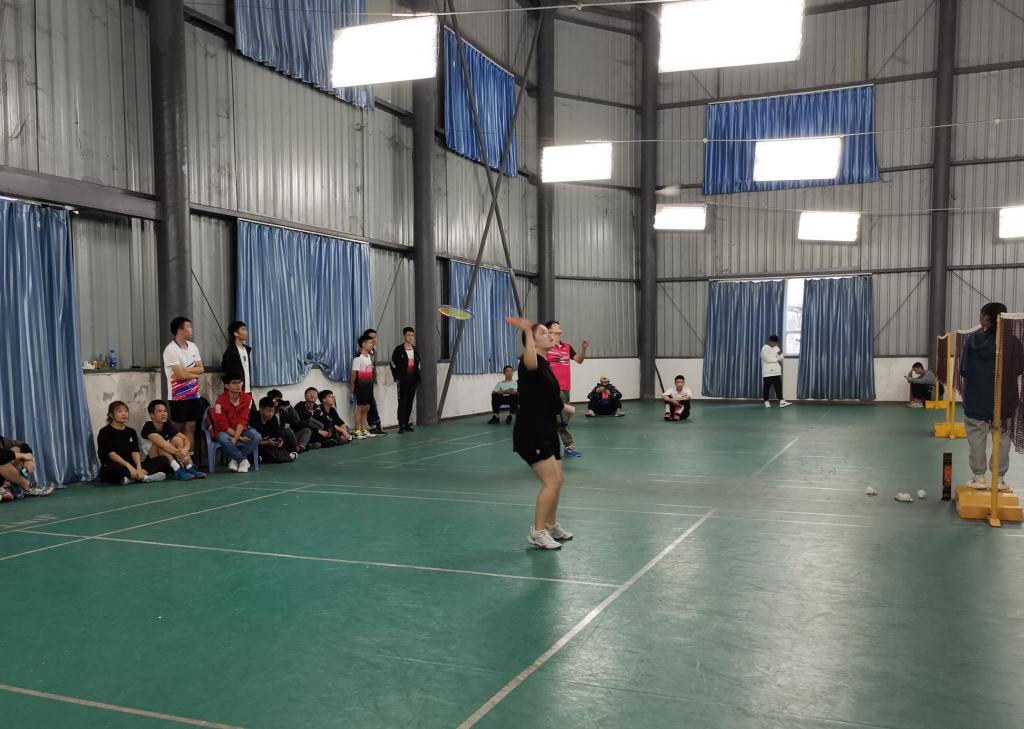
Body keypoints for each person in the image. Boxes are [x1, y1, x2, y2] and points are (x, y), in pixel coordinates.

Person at [507, 317, 574, 550]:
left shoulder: (546, 364)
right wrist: (527, 331)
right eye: (543, 332)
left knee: (558, 481)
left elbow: (549, 395)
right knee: (550, 482)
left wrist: (565, 407)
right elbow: (530, 362)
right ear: (532, 342)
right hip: (531, 431)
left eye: (548, 332)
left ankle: (550, 525)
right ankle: (537, 532)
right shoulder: (530, 363)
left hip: (547, 428)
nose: (549, 335)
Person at [960, 302, 1015, 490]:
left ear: (985, 318)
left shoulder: (973, 340)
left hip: (977, 399)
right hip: (1005, 399)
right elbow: (1018, 368)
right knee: (1003, 436)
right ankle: (998, 479)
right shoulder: (1012, 342)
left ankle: (979, 478)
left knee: (976, 435)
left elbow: (964, 370)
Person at [96, 401, 169, 484]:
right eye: (120, 411)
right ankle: (145, 477)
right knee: (115, 468)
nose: (124, 414)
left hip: (132, 466)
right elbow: (112, 454)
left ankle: (132, 478)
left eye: (126, 411)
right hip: (114, 465)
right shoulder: (104, 432)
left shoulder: (131, 431)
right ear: (111, 415)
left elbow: (135, 451)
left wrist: (138, 467)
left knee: (163, 460)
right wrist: (128, 466)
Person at [162, 316, 206, 452]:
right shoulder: (170, 350)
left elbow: (201, 369)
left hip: (194, 394)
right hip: (178, 396)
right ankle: (176, 456)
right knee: (177, 428)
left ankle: (189, 457)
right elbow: (180, 376)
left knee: (191, 426)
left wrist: (184, 370)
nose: (192, 329)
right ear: (180, 330)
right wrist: (193, 374)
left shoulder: (193, 346)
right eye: (189, 327)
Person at [545, 320, 589, 457]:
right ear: (549, 330)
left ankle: (545, 439)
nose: (559, 326)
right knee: (563, 417)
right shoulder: (546, 347)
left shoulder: (567, 347)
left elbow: (579, 360)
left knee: (561, 416)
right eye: (555, 325)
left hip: (566, 387)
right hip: (553, 388)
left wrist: (583, 349)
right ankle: (569, 445)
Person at [141, 400, 206, 480]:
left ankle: (188, 467)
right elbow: (161, 443)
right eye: (160, 411)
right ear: (152, 415)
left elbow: (185, 438)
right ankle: (177, 469)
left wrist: (185, 450)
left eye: (165, 411)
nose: (163, 414)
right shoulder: (147, 426)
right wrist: (179, 453)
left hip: (167, 460)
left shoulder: (167, 424)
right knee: (160, 444)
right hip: (151, 462)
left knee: (177, 439)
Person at [209, 372, 261, 473]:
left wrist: (236, 437)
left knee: (257, 437)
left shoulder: (247, 399)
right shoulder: (219, 401)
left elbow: (243, 419)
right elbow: (223, 425)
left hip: (242, 428)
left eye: (239, 382)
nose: (238, 385)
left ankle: (235, 459)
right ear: (226, 386)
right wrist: (239, 438)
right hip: (225, 431)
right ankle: (242, 460)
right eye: (234, 383)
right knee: (223, 438)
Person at [390, 327, 421, 433]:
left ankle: (407, 423)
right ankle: (401, 424)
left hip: (413, 381)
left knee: (409, 402)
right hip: (403, 381)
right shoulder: (399, 350)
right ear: (404, 336)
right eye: (408, 335)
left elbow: (418, 364)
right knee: (402, 402)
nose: (410, 337)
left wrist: (417, 376)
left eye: (412, 335)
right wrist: (397, 377)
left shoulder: (415, 350)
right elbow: (392, 364)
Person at [252, 397, 297, 464]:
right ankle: (285, 456)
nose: (271, 414)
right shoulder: (253, 418)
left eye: (272, 411)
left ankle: (264, 458)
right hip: (257, 445)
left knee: (282, 442)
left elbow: (277, 433)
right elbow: (250, 440)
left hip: (269, 444)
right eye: (269, 411)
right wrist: (265, 442)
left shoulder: (273, 418)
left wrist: (280, 440)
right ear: (261, 410)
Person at [361, 328, 387, 436]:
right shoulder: (362, 354)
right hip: (363, 383)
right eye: (371, 337)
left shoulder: (373, 351)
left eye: (375, 337)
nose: (374, 339)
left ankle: (376, 426)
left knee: (372, 404)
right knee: (368, 405)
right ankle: (373, 426)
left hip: (370, 382)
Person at [352, 334, 376, 439]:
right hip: (360, 386)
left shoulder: (369, 357)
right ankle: (357, 430)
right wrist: (352, 386)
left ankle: (364, 429)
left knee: (367, 407)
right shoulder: (358, 358)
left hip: (369, 386)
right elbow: (353, 374)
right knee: (360, 407)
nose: (372, 344)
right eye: (370, 342)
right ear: (363, 344)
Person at [221, 321, 252, 392]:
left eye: (246, 329)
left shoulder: (247, 350)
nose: (246, 332)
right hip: (236, 391)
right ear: (236, 333)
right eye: (243, 329)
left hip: (247, 389)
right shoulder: (230, 352)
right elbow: (226, 369)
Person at [761, 335, 791, 408]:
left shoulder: (777, 348)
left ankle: (781, 401)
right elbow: (768, 359)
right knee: (767, 387)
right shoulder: (764, 348)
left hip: (777, 371)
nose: (775, 344)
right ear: (769, 341)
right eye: (774, 342)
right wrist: (777, 358)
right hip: (767, 372)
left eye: (776, 343)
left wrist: (779, 356)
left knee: (778, 387)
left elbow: (781, 359)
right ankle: (766, 402)